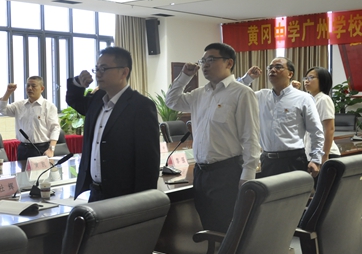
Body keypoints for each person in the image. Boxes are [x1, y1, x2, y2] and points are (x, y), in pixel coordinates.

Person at [166, 43, 261, 232]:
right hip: (201, 173)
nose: (205, 65)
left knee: (227, 227)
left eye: (210, 59)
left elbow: (250, 137)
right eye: (203, 61)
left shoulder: (242, 93)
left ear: (229, 63)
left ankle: (229, 253)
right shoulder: (199, 94)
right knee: (207, 225)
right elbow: (172, 101)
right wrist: (185, 76)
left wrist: (248, 175)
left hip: (227, 172)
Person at [66, 46, 159, 202]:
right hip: (95, 192)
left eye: (104, 69)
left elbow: (148, 161)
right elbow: (73, 100)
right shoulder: (97, 100)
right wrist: (78, 81)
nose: (98, 74)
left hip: (124, 196)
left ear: (124, 72)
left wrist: (143, 202)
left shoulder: (141, 106)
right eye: (97, 69)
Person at [240, 57, 324, 178]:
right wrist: (248, 78)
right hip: (267, 160)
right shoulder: (260, 96)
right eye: (270, 67)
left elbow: (316, 131)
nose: (272, 70)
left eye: (278, 67)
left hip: (293, 160)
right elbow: (235, 93)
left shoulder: (303, 98)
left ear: (290, 74)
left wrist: (316, 159)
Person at [0, 76, 61, 161]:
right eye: (28, 85)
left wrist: (51, 149)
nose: (30, 88)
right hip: (23, 149)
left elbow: (55, 128)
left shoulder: (49, 106)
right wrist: (8, 92)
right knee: (22, 170)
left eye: (33, 86)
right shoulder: (19, 105)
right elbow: (1, 109)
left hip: (42, 148)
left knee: (43, 170)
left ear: (42, 89)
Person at [301, 67, 341, 165]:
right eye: (306, 78)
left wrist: (324, 155)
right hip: (312, 153)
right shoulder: (310, 100)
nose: (306, 81)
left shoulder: (323, 99)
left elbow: (329, 129)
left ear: (322, 81)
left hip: (326, 154)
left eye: (311, 77)